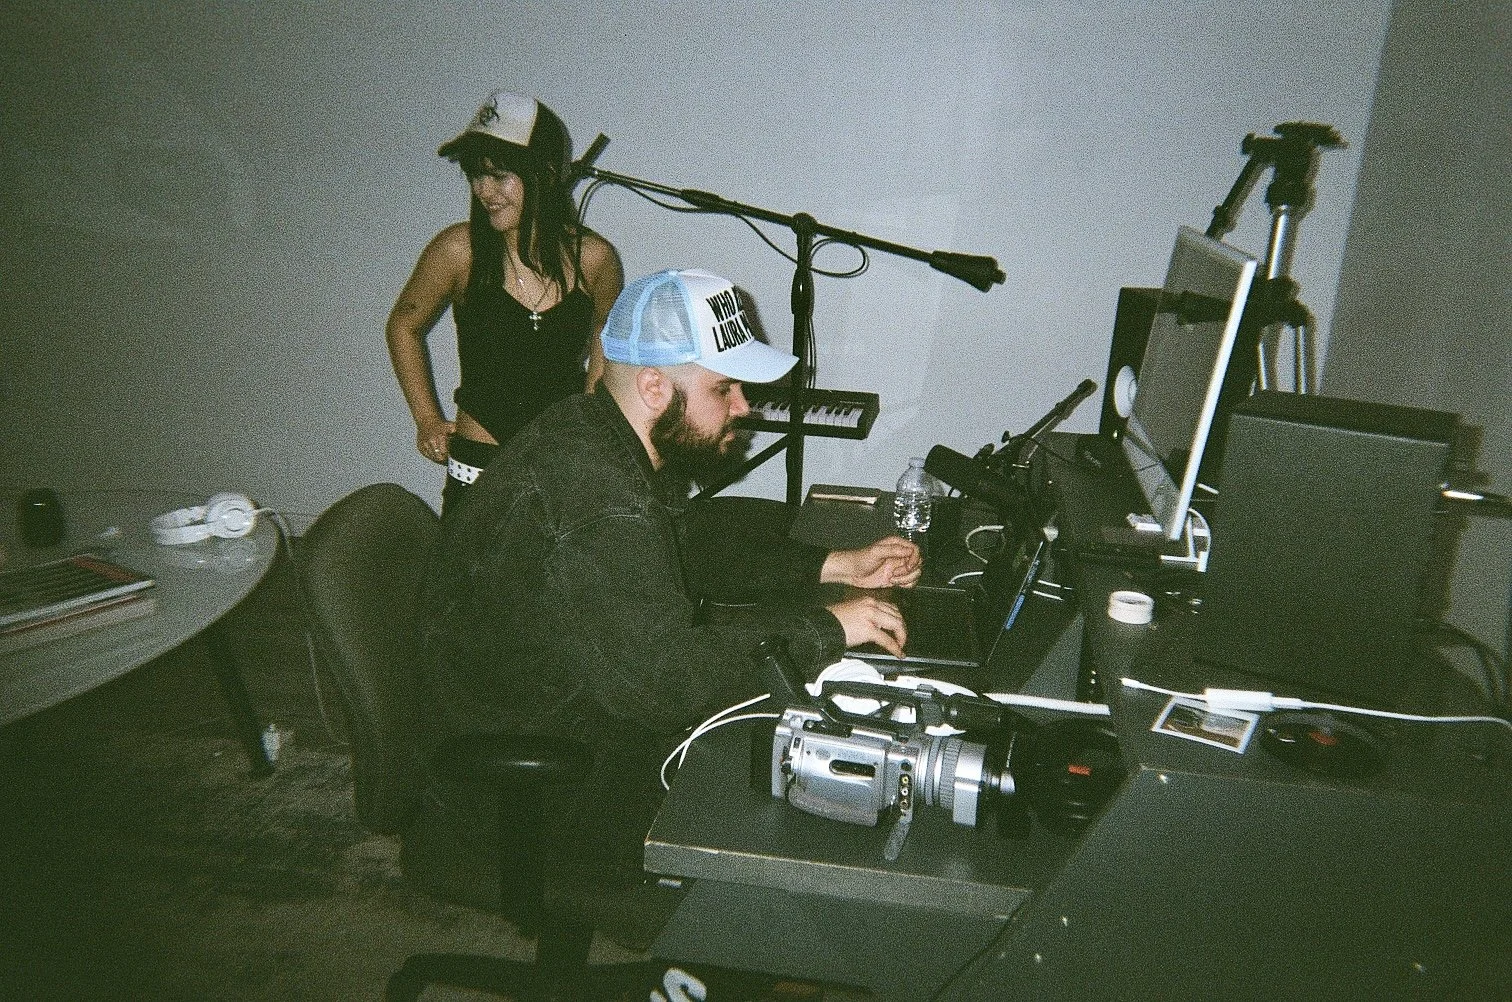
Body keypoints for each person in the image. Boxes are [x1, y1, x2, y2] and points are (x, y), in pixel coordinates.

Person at [416, 268, 921, 888]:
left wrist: (835, 566)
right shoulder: (601, 491)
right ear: (655, 386)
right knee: (813, 838)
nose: (743, 407)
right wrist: (829, 626)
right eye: (724, 388)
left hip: (564, 699)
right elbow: (665, 685)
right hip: (538, 773)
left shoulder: (596, 427)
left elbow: (686, 544)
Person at [385, 90, 623, 514]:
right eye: (476, 176)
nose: (483, 191)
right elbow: (403, 325)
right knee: (469, 578)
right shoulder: (458, 250)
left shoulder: (595, 257)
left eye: (499, 176)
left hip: (560, 456)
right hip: (479, 460)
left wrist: (591, 409)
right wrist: (426, 420)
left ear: (545, 176)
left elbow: (610, 329)